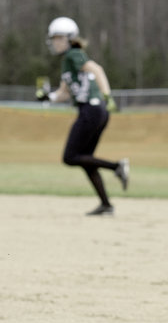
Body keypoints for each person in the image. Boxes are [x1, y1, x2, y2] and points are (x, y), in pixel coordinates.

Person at [36, 16, 129, 216]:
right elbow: (64, 92)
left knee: (70, 157)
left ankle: (116, 166)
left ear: (69, 38)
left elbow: (97, 70)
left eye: (57, 38)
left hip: (91, 110)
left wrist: (107, 96)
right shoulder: (67, 62)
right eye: (53, 38)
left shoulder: (74, 54)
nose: (54, 42)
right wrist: (47, 97)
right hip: (95, 111)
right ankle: (106, 204)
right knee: (85, 160)